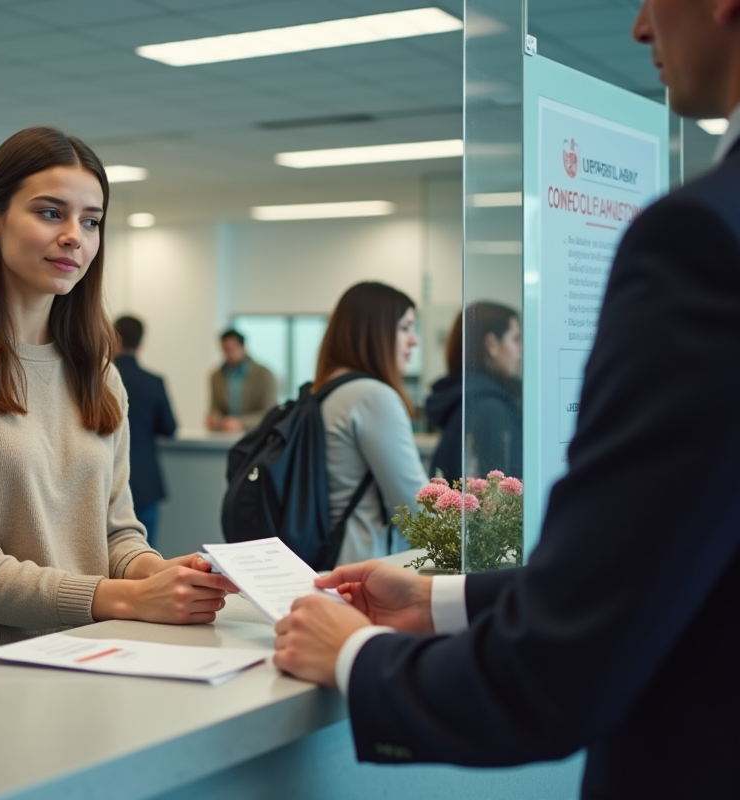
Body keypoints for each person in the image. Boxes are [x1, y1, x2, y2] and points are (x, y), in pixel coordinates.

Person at [272, 2, 740, 796]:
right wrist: (437, 598)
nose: (637, 27)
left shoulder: (702, 241)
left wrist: (356, 653)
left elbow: (567, 667)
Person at [0, 127, 234, 663]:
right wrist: (132, 597)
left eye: (91, 221)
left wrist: (159, 572)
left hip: (90, 657)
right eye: (51, 213)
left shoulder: (98, 373)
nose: (75, 236)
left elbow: (114, 537)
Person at [314, 282, 429, 565]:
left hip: (326, 562)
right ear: (373, 332)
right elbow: (416, 510)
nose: (413, 340)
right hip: (365, 571)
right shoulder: (373, 397)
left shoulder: (323, 390)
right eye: (405, 328)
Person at [426, 303, 523, 480]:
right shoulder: (490, 407)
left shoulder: (466, 396)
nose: (521, 348)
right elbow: (501, 496)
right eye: (515, 339)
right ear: (492, 344)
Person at [113, 315, 177, 548]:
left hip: (106, 481)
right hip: (145, 482)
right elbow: (169, 428)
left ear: (114, 338)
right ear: (141, 343)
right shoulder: (153, 381)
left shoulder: (96, 379)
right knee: (146, 555)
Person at [206, 329, 277, 433]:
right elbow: (214, 408)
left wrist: (241, 423)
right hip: (225, 436)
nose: (229, 354)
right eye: (225, 349)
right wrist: (215, 419)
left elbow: (270, 413)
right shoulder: (216, 376)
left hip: (257, 435)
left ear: (243, 348)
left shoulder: (265, 375)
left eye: (233, 349)